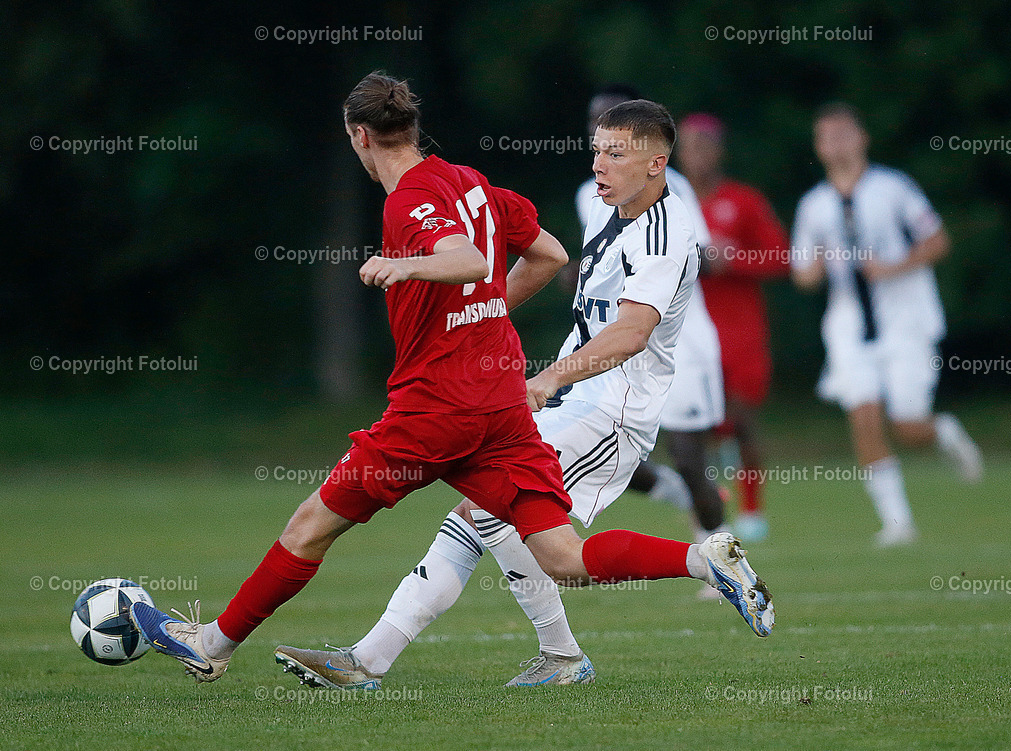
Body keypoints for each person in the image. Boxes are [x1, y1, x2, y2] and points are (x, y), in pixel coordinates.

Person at [127, 73, 774, 686]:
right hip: (500, 409)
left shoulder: (410, 200)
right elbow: (548, 254)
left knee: (309, 525)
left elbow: (461, 256)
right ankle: (698, 559)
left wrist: (402, 266)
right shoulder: (470, 182)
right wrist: (483, 308)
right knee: (562, 555)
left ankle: (210, 646)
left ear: (359, 136)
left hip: (436, 409)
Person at [791, 101, 983, 547]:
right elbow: (802, 274)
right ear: (818, 147)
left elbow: (936, 240)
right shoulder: (814, 205)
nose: (836, 143)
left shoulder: (893, 188)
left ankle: (944, 431)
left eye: (844, 133)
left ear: (862, 138)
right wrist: (813, 268)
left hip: (905, 320)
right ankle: (898, 522)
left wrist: (894, 266)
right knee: (863, 415)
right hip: (849, 324)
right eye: (827, 135)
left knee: (908, 427)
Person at [577, 86, 730, 547]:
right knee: (601, 451)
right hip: (618, 341)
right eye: (594, 122)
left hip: (675, 339)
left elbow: (696, 253)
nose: (599, 132)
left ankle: (721, 549)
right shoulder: (590, 191)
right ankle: (679, 496)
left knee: (688, 456)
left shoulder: (668, 184)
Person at [676, 113, 790, 543]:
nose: (697, 156)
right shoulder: (671, 202)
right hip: (690, 335)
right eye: (689, 146)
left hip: (740, 331)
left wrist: (733, 258)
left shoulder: (742, 200)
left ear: (719, 150)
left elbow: (781, 257)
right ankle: (709, 513)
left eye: (705, 145)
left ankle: (752, 509)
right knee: (698, 430)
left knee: (740, 420)